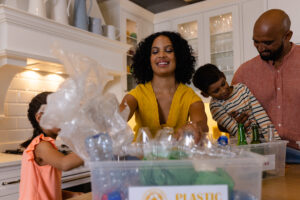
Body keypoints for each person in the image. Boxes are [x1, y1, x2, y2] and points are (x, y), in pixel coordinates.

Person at [232, 9, 300, 162]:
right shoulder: (244, 72)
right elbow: (225, 122)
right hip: (260, 158)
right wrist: (235, 119)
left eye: (268, 42)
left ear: (287, 36)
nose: (260, 48)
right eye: (256, 41)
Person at [119, 31, 208, 143]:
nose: (161, 55)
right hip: (142, 160)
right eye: (155, 52)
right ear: (148, 59)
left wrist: (194, 126)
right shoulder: (137, 94)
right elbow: (120, 114)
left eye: (169, 50)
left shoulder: (189, 97)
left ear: (179, 56)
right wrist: (110, 117)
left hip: (177, 159)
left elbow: (202, 123)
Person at [19, 92, 84, 200]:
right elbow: (65, 164)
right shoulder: (41, 146)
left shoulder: (44, 145)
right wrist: (94, 144)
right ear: (40, 117)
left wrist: (70, 194)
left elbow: (41, 188)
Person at [193, 63, 278, 139]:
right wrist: (252, 144)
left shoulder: (242, 89)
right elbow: (236, 130)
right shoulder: (215, 107)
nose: (223, 91)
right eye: (216, 91)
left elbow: (260, 113)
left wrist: (273, 139)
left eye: (223, 84)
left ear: (224, 76)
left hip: (262, 138)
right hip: (244, 143)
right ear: (205, 94)